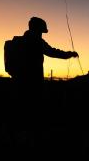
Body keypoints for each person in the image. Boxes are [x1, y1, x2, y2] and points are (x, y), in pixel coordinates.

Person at [10, 16, 79, 153]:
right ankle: (32, 144)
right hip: (34, 84)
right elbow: (53, 52)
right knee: (34, 112)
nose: (42, 33)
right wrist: (70, 54)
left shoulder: (20, 41)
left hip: (18, 83)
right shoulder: (37, 41)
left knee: (21, 112)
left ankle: (18, 142)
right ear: (38, 29)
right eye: (41, 30)